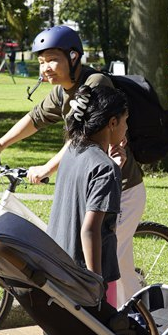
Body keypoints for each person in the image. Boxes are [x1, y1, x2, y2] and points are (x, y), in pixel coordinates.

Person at [0, 25, 146, 305]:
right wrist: (0, 143)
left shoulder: (95, 85)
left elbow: (82, 137)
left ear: (73, 57)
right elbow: (35, 118)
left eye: (52, 60)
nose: (46, 68)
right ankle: (140, 315)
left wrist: (47, 168)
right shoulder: (61, 91)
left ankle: (114, 332)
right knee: (120, 264)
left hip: (118, 188)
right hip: (89, 189)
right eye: (41, 62)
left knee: (106, 261)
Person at [47, 85, 127, 300]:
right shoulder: (106, 169)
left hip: (59, 266)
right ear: (112, 122)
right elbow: (90, 230)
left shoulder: (73, 150)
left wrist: (113, 165)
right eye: (125, 121)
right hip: (88, 276)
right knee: (104, 332)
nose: (126, 127)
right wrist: (95, 284)